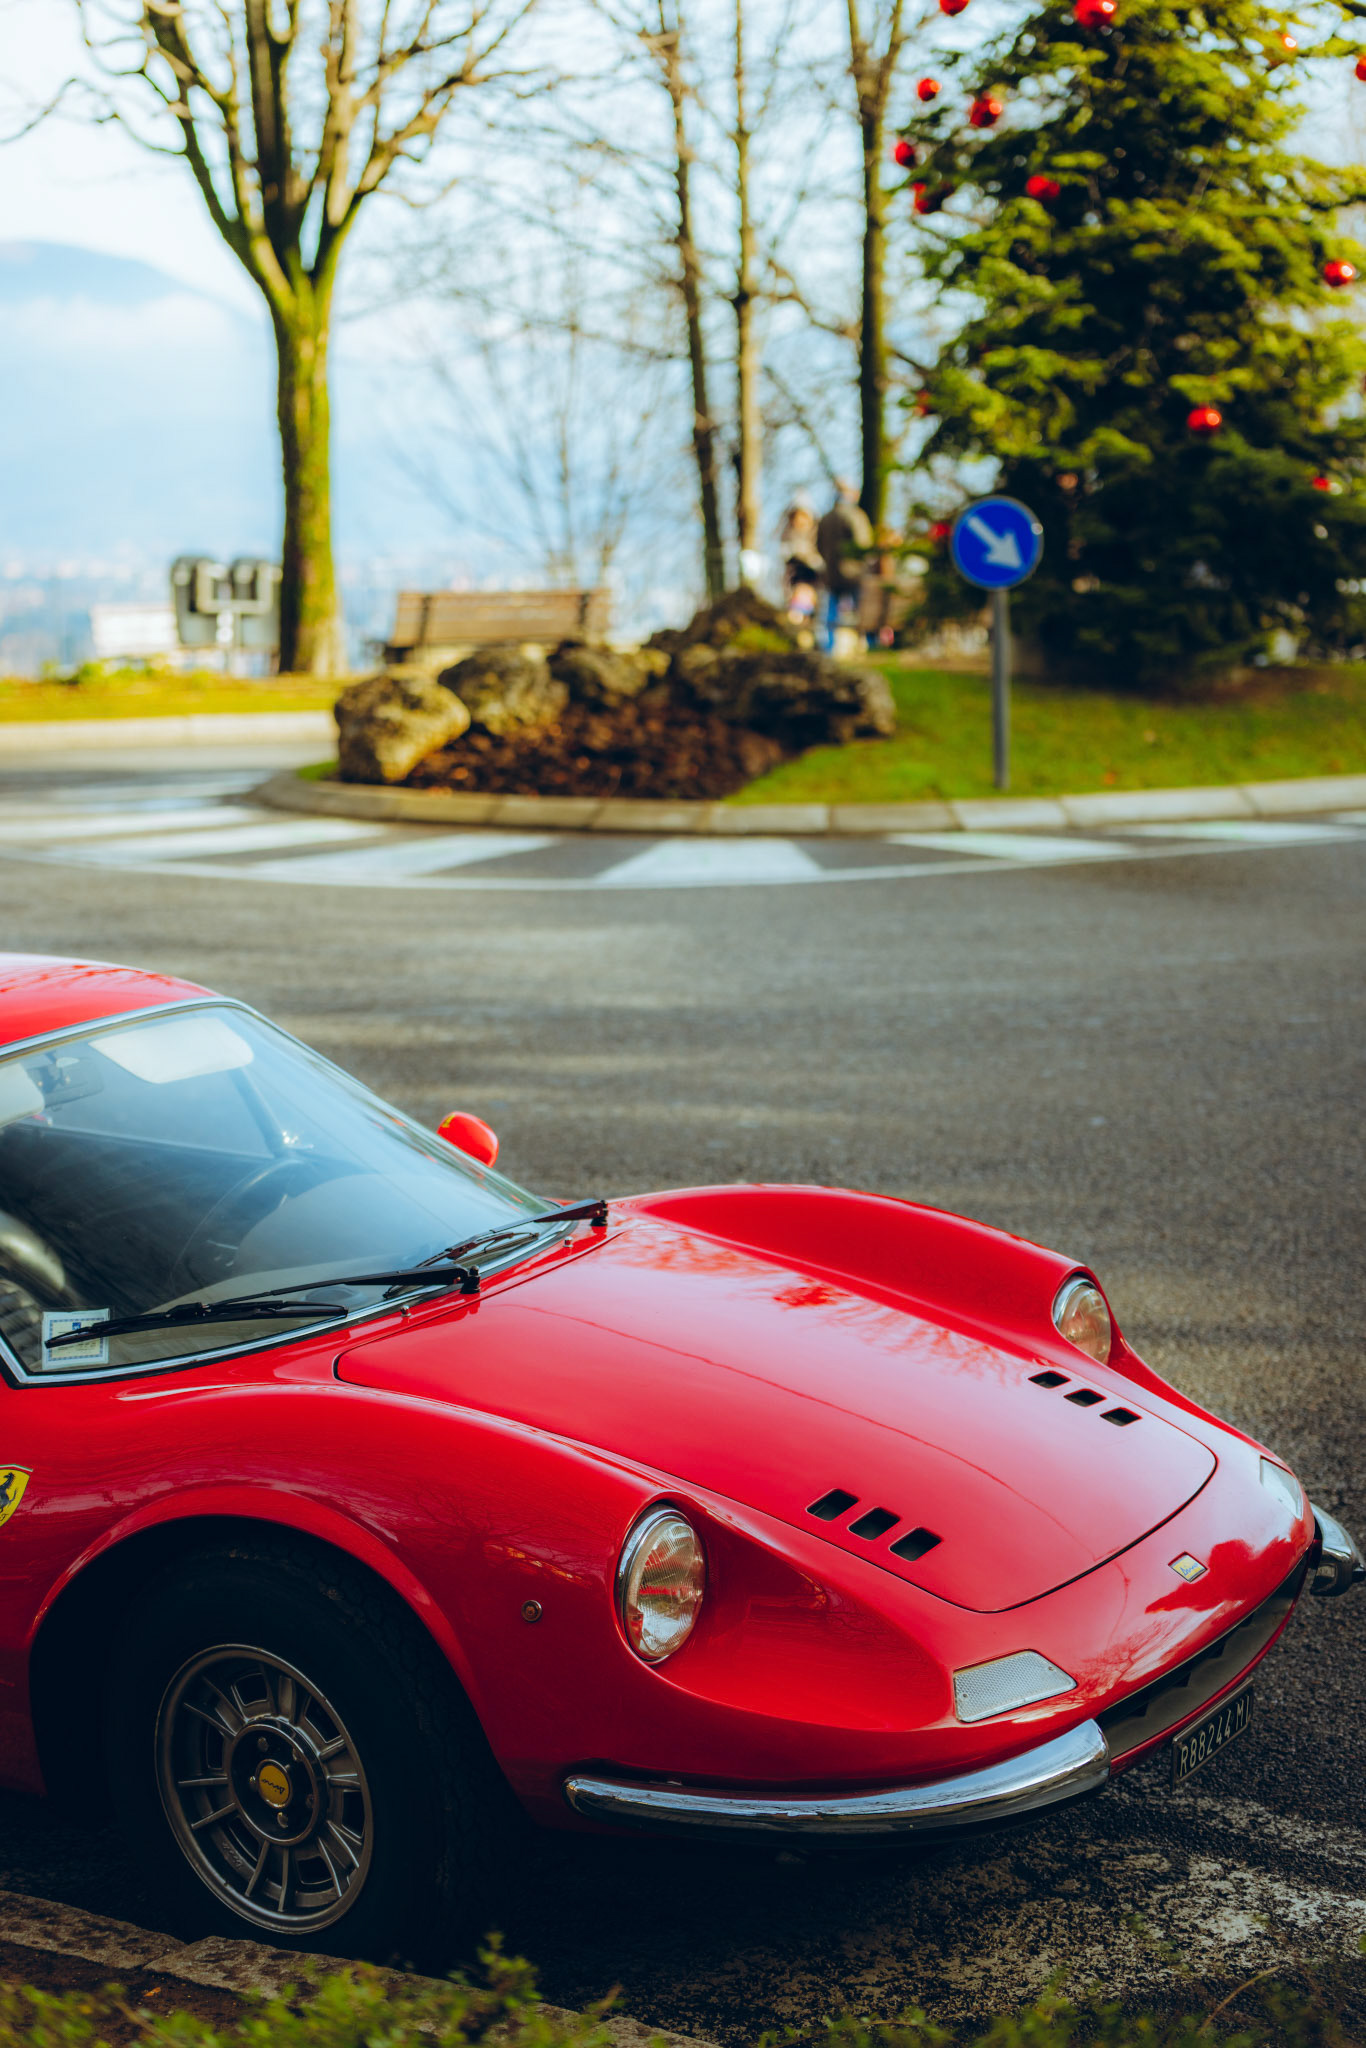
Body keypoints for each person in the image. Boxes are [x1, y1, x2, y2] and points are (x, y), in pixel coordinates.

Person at [816, 481, 874, 651]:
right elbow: (863, 544)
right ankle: (869, 645)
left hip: (831, 572)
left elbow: (819, 545)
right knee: (862, 609)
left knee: (831, 612)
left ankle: (829, 647)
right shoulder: (855, 516)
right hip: (854, 571)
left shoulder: (826, 518)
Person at [778, 494, 823, 625]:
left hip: (813, 579)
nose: (799, 521)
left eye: (802, 516)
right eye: (796, 517)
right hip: (795, 580)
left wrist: (810, 558)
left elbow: (821, 561)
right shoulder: (787, 535)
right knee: (796, 616)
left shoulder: (818, 534)